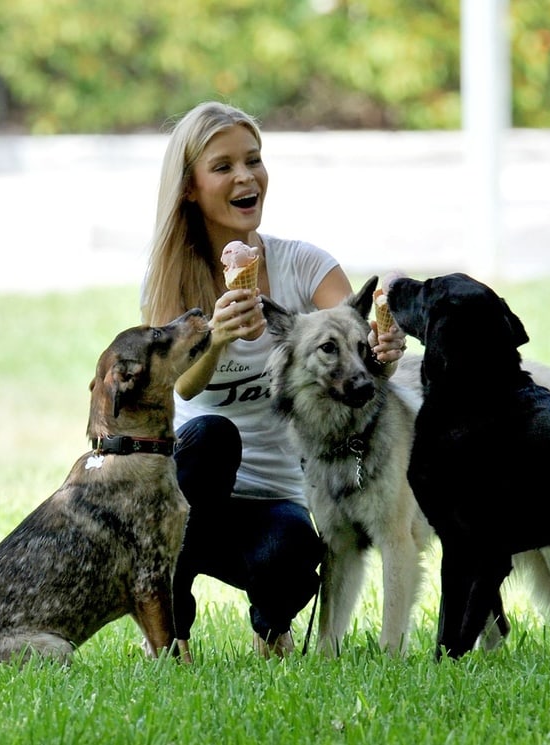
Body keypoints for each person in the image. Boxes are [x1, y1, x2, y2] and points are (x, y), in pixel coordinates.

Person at [140, 101, 407, 661]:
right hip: (192, 496)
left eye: (254, 161)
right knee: (212, 436)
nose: (246, 177)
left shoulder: (305, 266)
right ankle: (171, 635)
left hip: (272, 499)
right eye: (223, 166)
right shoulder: (172, 278)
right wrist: (216, 337)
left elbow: (361, 344)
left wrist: (384, 347)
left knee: (294, 547)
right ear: (190, 187)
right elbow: (176, 389)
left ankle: (271, 628)